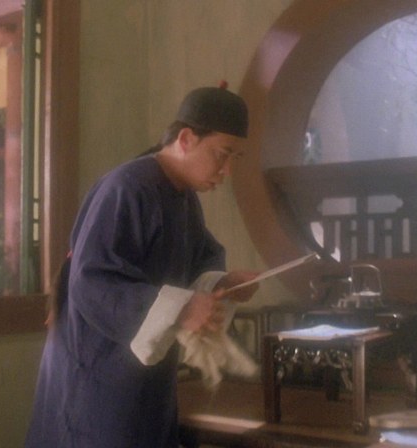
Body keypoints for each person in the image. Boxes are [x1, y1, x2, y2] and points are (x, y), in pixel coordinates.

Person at [25, 85, 260, 447]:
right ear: (186, 139)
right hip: (98, 370)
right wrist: (183, 309)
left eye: (235, 158)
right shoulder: (126, 188)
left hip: (147, 376)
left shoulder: (185, 198)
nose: (227, 170)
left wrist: (222, 284)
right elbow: (93, 282)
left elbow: (197, 264)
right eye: (222, 154)